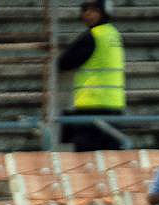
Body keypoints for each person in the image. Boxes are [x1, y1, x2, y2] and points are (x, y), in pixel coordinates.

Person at [57, 0, 125, 152]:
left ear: (103, 12)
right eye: (85, 9)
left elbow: (64, 62)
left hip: (91, 107)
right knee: (111, 158)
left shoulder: (92, 36)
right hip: (114, 106)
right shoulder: (114, 34)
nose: (87, 14)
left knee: (87, 158)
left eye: (93, 10)